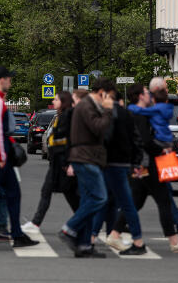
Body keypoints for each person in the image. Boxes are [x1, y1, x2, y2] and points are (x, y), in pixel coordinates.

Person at [115, 85, 178, 253]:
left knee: (137, 201)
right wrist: (161, 151)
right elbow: (144, 141)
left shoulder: (144, 113)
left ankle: (115, 233)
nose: (149, 95)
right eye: (146, 93)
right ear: (139, 96)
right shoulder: (139, 114)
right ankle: (173, 242)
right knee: (163, 201)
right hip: (146, 163)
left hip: (144, 164)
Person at [0, 66, 39, 250]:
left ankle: (17, 234)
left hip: (0, 155)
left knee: (14, 193)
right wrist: (2, 156)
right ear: (1, 80)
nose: (11, 81)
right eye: (9, 78)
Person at [57, 78, 114, 258]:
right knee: (100, 198)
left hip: (87, 158)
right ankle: (69, 228)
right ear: (102, 92)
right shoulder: (88, 105)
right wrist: (108, 110)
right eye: (108, 96)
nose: (109, 100)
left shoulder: (87, 105)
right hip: (86, 158)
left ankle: (84, 245)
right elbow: (98, 128)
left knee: (88, 200)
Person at [91, 86, 147, 255]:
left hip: (111, 163)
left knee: (125, 203)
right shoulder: (126, 113)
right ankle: (92, 238)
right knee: (106, 201)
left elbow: (106, 138)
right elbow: (137, 139)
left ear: (107, 96)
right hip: (124, 163)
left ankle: (138, 241)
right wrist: (136, 162)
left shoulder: (110, 114)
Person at [25, 91, 81, 232]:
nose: (54, 101)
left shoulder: (68, 116)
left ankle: (85, 222)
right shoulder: (60, 116)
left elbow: (68, 142)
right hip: (57, 164)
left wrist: (68, 163)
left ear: (63, 101)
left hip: (63, 164)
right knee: (46, 191)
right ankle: (36, 223)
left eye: (56, 99)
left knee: (73, 198)